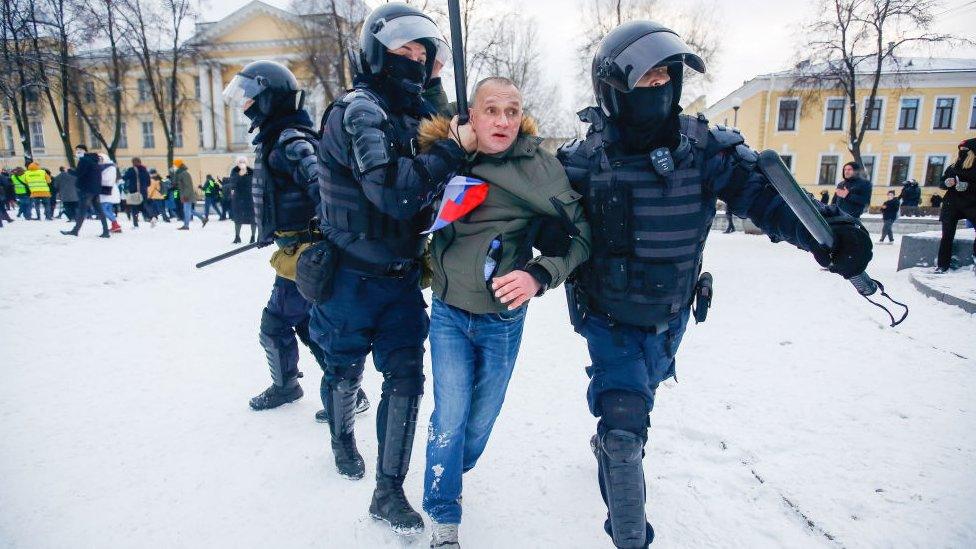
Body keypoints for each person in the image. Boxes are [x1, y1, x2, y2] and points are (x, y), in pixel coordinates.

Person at [557, 21, 873, 548]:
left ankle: (615, 446)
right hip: (608, 316)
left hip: (670, 318)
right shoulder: (584, 161)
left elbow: (765, 198)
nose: (658, 88)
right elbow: (525, 208)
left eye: (666, 77)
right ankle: (629, 533)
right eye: (645, 79)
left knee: (639, 406)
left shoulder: (703, 149)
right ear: (614, 90)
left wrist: (826, 234)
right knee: (623, 422)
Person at [417, 77, 592, 547]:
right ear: (471, 116)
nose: (502, 121)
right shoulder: (448, 155)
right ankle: (443, 512)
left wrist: (539, 274)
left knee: (478, 423)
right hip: (449, 312)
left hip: (502, 319)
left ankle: (454, 467)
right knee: (450, 416)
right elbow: (402, 203)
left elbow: (583, 237)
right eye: (490, 110)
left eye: (511, 111)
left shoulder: (540, 169)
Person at [311, 2, 460, 535]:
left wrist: (440, 90)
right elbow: (395, 193)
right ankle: (341, 435)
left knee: (406, 379)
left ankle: (388, 491)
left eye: (423, 52)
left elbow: (434, 128)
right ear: (377, 52)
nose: (415, 59)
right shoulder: (359, 110)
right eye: (404, 50)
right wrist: (451, 150)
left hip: (399, 277)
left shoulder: (407, 111)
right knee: (344, 368)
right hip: (350, 277)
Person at [221, 60, 370, 421]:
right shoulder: (278, 138)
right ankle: (341, 391)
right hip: (293, 251)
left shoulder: (291, 141)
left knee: (277, 323)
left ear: (268, 99)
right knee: (304, 323)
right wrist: (273, 229)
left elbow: (325, 192)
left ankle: (313, 389)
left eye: (249, 98)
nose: (244, 106)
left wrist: (319, 240)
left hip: (306, 253)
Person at [935, 138, 976, 273]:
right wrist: (947, 182)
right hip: (952, 203)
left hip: (972, 204)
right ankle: (942, 265)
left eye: (965, 150)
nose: (962, 152)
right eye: (960, 150)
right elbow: (941, 183)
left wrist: (968, 186)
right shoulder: (953, 166)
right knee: (947, 236)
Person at [62, 144, 110, 238]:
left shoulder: (84, 160)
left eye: (80, 150)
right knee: (99, 210)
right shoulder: (94, 160)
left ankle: (75, 231)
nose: (78, 152)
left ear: (85, 151)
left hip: (86, 189)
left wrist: (68, 171)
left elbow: (79, 174)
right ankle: (106, 231)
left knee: (82, 210)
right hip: (95, 189)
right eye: (77, 150)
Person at [227, 156, 256, 244]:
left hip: (250, 198)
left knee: (253, 219)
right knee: (238, 219)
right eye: (240, 162)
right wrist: (239, 175)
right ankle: (237, 236)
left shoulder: (251, 171)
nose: (242, 163)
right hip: (238, 199)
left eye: (243, 162)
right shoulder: (234, 171)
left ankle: (253, 236)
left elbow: (255, 183)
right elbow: (232, 183)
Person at [174, 159, 205, 230]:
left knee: (187, 210)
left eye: (175, 165)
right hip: (185, 194)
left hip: (187, 195)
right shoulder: (181, 173)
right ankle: (203, 219)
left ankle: (186, 225)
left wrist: (185, 195)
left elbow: (188, 185)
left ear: (178, 165)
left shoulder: (184, 173)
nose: (174, 166)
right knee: (189, 210)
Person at [123, 157, 150, 228]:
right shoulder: (145, 170)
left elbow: (125, 178)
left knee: (134, 208)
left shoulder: (131, 170)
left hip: (134, 192)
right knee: (143, 206)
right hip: (143, 192)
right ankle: (151, 217)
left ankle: (135, 223)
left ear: (133, 163)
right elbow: (148, 183)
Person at [99, 154, 122, 233]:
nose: (100, 161)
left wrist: (98, 177)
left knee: (103, 209)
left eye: (101, 159)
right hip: (104, 191)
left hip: (109, 191)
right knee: (108, 210)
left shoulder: (110, 167)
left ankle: (116, 224)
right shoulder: (103, 167)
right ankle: (115, 226)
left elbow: (107, 179)